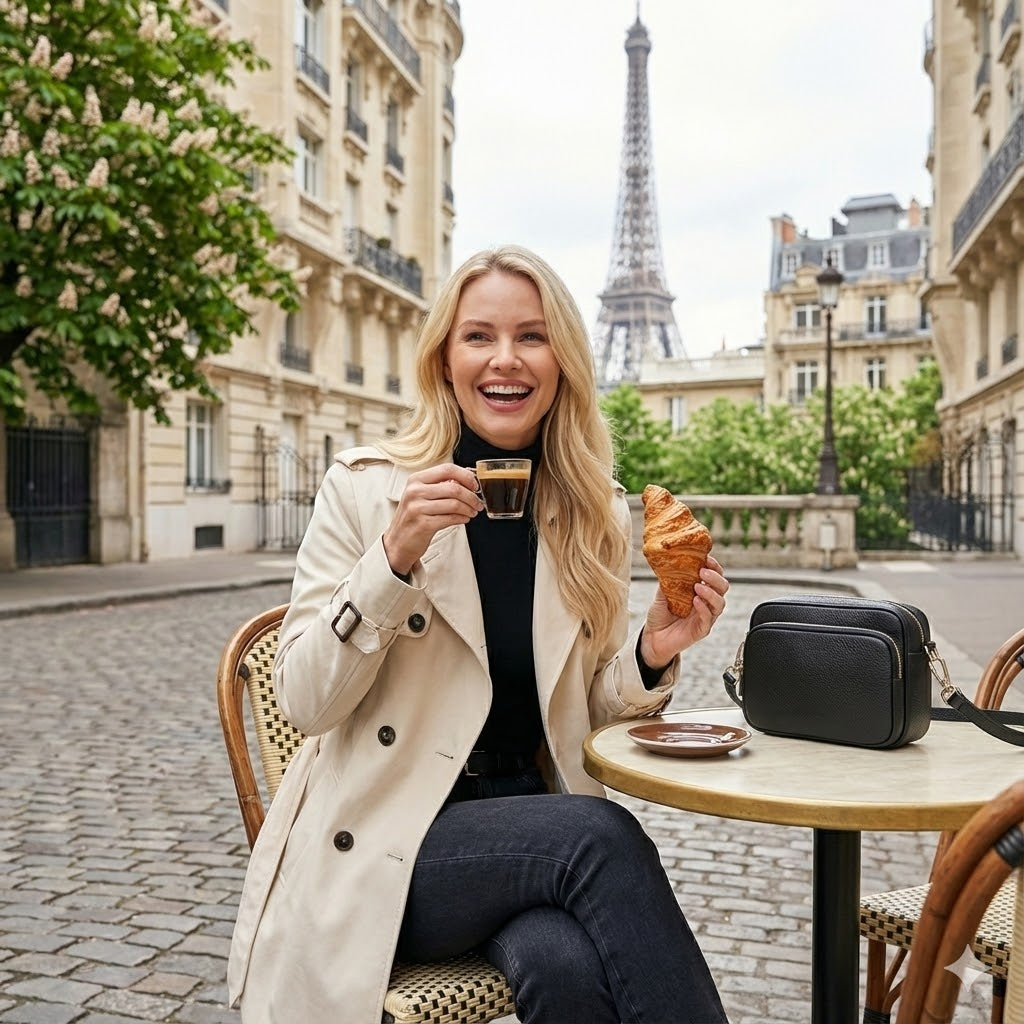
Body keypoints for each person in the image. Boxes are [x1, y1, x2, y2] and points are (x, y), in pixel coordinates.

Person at [227, 245, 731, 1024]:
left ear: (563, 360)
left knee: (565, 969)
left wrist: (653, 650)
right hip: (394, 838)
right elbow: (304, 703)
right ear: (445, 359)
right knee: (599, 836)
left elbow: (585, 720)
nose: (506, 359)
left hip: (530, 833)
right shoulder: (366, 491)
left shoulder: (592, 509)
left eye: (532, 336)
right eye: (479, 337)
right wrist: (391, 563)